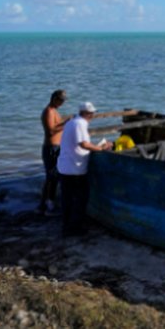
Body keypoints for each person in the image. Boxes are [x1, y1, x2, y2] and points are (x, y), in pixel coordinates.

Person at [57, 101, 112, 236]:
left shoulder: (72, 122)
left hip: (66, 167)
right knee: (80, 199)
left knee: (67, 199)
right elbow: (84, 144)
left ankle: (66, 227)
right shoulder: (80, 124)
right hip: (74, 169)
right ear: (88, 114)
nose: (93, 115)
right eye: (92, 113)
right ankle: (75, 228)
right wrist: (100, 148)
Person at [39, 89, 69, 214]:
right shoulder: (48, 112)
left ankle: (47, 202)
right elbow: (51, 131)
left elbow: (57, 126)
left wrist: (67, 120)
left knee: (53, 176)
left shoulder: (55, 111)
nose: (62, 103)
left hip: (57, 147)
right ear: (54, 99)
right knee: (52, 177)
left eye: (63, 101)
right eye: (61, 100)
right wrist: (66, 124)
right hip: (51, 148)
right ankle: (48, 203)